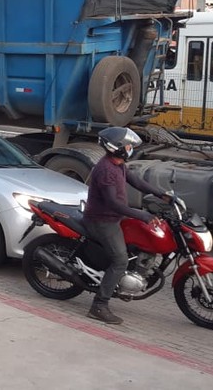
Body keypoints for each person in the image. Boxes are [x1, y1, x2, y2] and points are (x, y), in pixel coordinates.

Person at [83, 126, 169, 325]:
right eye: (129, 145)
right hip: (102, 220)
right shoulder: (105, 170)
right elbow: (115, 204)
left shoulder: (118, 164)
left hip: (114, 217)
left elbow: (136, 181)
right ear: (118, 147)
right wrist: (143, 215)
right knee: (120, 260)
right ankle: (99, 305)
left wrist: (161, 194)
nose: (131, 148)